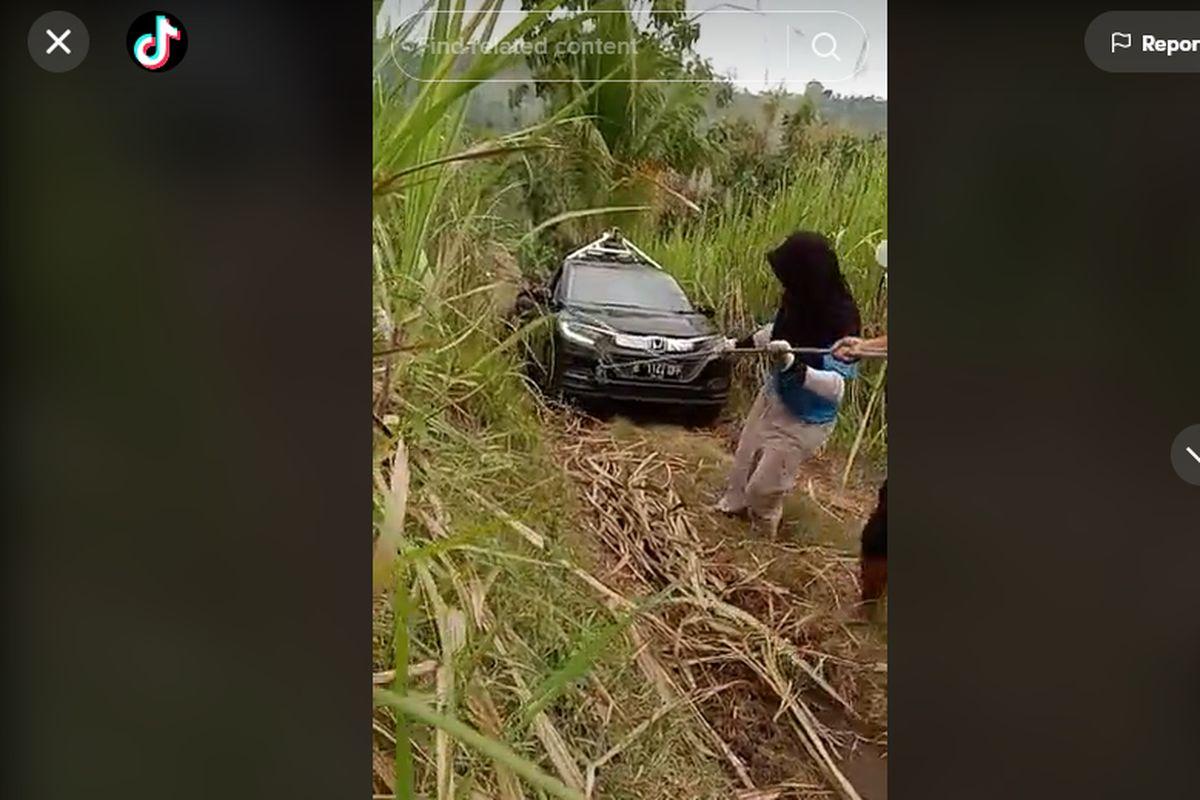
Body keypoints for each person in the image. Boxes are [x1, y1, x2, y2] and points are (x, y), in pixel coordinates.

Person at [716, 231, 862, 538]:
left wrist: (794, 366)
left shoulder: (842, 319)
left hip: (805, 418)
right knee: (744, 462)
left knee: (763, 488)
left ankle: (763, 536)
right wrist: (736, 346)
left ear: (806, 274)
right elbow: (774, 332)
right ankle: (734, 511)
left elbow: (836, 385)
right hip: (776, 395)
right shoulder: (797, 299)